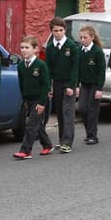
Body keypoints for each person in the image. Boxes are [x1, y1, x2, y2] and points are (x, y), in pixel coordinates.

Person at [13, 35, 51, 160]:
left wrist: (42, 103)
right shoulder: (21, 66)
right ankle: (47, 145)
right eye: (22, 48)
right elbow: (21, 84)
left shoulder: (41, 65)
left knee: (30, 124)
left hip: (39, 100)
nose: (23, 50)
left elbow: (45, 85)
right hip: (28, 100)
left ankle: (26, 151)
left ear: (35, 49)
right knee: (37, 124)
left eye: (27, 47)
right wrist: (23, 100)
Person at [44, 17, 80, 153]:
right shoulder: (50, 47)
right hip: (57, 83)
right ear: (52, 31)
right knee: (59, 111)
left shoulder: (72, 46)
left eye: (61, 30)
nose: (58, 33)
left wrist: (72, 85)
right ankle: (61, 139)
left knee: (68, 112)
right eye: (55, 31)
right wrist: (49, 86)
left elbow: (75, 68)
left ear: (65, 30)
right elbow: (48, 68)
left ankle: (67, 142)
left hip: (68, 82)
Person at [77, 25, 106, 145]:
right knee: (82, 108)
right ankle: (88, 133)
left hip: (95, 85)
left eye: (85, 37)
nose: (82, 40)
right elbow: (77, 70)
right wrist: (76, 85)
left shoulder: (97, 51)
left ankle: (92, 136)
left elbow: (101, 71)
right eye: (81, 38)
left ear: (92, 37)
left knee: (92, 110)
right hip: (84, 85)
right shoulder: (79, 51)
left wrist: (99, 88)